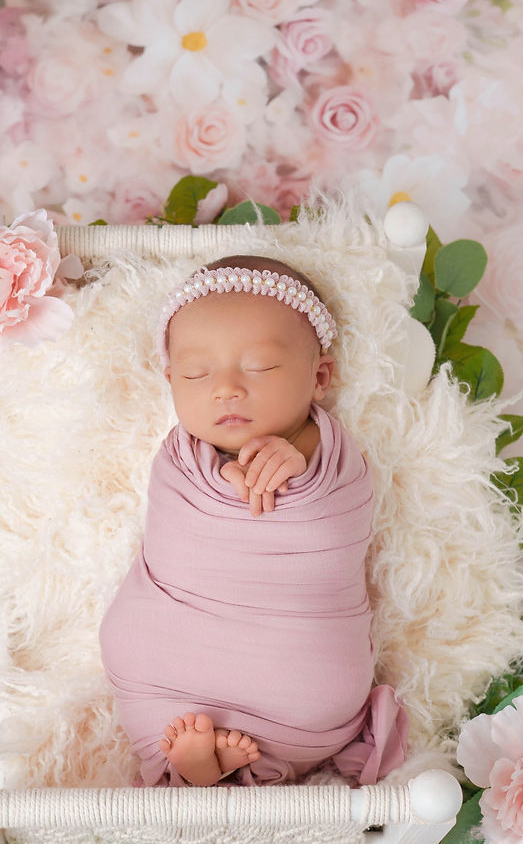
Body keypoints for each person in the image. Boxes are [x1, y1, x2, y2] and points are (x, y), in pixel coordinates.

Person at [98, 256, 407, 786]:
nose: (226, 389)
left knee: (299, 689)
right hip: (163, 662)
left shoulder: (333, 457)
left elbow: (331, 515)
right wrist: (229, 473)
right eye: (197, 373)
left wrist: (296, 461)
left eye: (260, 367)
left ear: (320, 377)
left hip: (295, 673)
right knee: (143, 665)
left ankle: (199, 771)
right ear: (172, 381)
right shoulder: (178, 461)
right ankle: (192, 767)